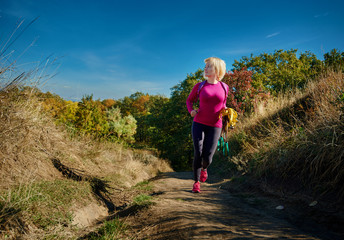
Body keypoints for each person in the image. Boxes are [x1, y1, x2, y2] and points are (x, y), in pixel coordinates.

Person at [186, 57, 228, 193]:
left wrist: (227, 111)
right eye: (205, 66)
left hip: (216, 125)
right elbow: (189, 100)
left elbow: (223, 104)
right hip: (199, 122)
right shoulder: (199, 86)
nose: (205, 68)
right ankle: (196, 182)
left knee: (208, 155)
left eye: (209, 66)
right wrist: (191, 110)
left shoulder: (224, 87)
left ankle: (205, 168)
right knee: (198, 151)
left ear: (217, 69)